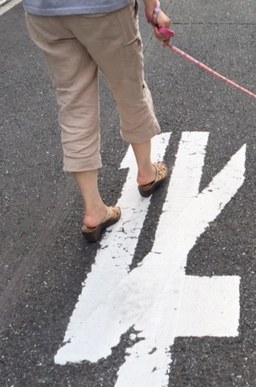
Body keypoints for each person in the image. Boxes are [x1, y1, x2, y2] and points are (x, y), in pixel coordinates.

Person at [23, 0, 173, 241]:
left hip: (45, 12)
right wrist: (152, 6)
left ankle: (94, 209)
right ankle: (146, 172)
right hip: (104, 9)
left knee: (74, 105)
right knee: (130, 89)